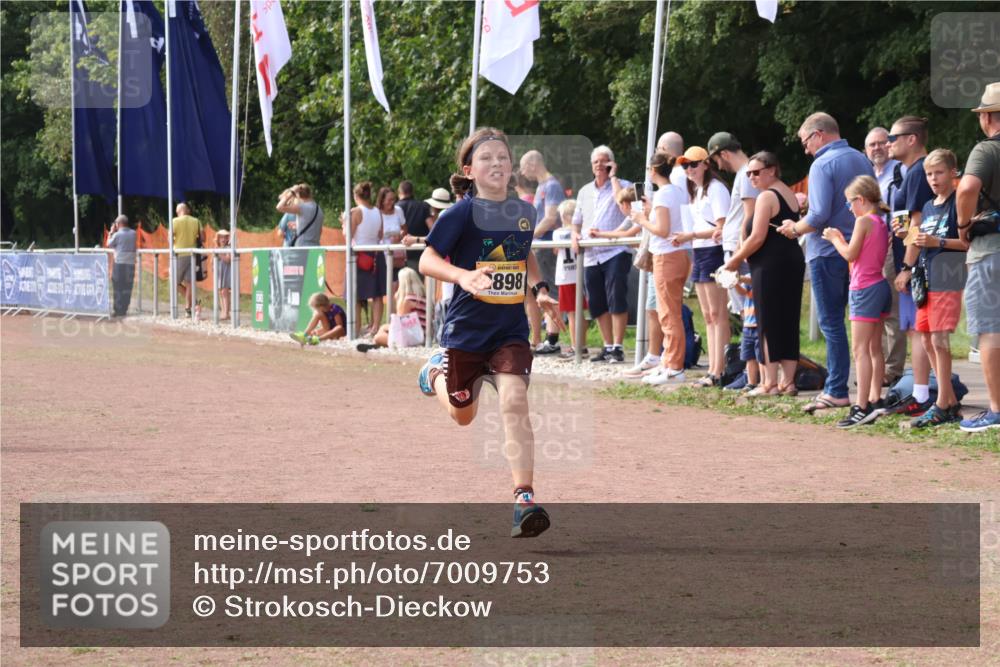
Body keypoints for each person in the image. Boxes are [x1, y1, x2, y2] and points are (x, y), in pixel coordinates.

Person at [416, 127, 562, 538]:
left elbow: (524, 252)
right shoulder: (459, 213)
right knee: (464, 415)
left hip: (509, 329)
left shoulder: (523, 211)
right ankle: (434, 374)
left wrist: (541, 290)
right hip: (465, 330)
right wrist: (462, 276)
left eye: (502, 156)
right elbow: (427, 259)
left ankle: (524, 499)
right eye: (487, 158)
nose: (497, 163)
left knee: (515, 400)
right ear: (470, 170)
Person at [778, 112, 875, 411]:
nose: (806, 149)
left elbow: (818, 215)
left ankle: (836, 389)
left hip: (828, 252)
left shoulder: (822, 162)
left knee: (831, 323)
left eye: (806, 141)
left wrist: (794, 228)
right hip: (860, 250)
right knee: (863, 324)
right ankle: (868, 391)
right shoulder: (862, 158)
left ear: (818, 135)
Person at [724, 152, 804, 396]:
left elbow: (757, 237)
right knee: (788, 320)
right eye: (748, 173)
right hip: (791, 261)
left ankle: (768, 382)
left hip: (770, 265)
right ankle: (787, 381)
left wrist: (735, 260)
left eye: (756, 172)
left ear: (772, 170)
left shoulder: (767, 196)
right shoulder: (788, 193)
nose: (751, 177)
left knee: (767, 322)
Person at [899, 149, 970, 428]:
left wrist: (937, 243)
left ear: (953, 173)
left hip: (948, 276)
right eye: (929, 174)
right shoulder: (928, 206)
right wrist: (909, 237)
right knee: (926, 339)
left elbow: (966, 243)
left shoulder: (958, 203)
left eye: (939, 172)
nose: (933, 179)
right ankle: (948, 401)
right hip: (925, 280)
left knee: (940, 340)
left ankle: (941, 403)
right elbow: (921, 240)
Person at [823, 176, 892, 428]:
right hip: (879, 285)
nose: (849, 208)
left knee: (860, 350)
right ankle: (874, 398)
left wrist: (835, 238)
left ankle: (861, 406)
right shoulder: (880, 221)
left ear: (860, 200)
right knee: (874, 348)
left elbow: (850, 254)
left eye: (849, 203)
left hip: (864, 288)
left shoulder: (864, 221)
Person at [956, 81, 1000, 433]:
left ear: (986, 117)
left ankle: (997, 408)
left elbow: (968, 187)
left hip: (991, 251)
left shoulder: (987, 150)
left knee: (989, 329)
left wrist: (962, 224)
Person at [885, 116, 935, 417]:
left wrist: (907, 265)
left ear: (911, 139)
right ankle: (924, 391)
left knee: (919, 330)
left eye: (894, 138)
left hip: (917, 262)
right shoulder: (910, 172)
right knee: (916, 329)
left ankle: (922, 394)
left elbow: (918, 222)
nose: (890, 144)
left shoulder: (918, 172)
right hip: (914, 256)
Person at [631, 151, 692, 385]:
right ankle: (668, 362)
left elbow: (662, 230)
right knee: (669, 311)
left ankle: (674, 366)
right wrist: (650, 213)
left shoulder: (665, 194)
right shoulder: (676, 191)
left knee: (668, 314)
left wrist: (641, 219)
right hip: (676, 255)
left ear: (652, 171)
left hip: (666, 256)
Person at [674, 146, 731, 387]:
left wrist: (691, 234)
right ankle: (713, 368)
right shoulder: (696, 191)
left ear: (706, 164)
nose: (689, 169)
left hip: (712, 251)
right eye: (685, 165)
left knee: (717, 313)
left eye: (693, 164)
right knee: (708, 314)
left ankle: (721, 369)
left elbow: (722, 227)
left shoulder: (715, 189)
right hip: (700, 249)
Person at [571, 146, 632, 363]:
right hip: (591, 255)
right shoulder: (585, 191)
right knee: (596, 302)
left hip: (615, 249)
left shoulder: (623, 186)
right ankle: (607, 345)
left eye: (604, 161)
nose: (599, 165)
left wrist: (613, 176)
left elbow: (621, 202)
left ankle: (617, 346)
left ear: (611, 163)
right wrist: (574, 236)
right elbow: (576, 222)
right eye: (595, 161)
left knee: (616, 296)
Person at [866, 126, 906, 385]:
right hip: (870, 247)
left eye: (882, 143)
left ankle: (892, 371)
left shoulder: (899, 172)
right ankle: (876, 369)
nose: (878, 148)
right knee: (873, 310)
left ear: (891, 145)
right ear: (866, 150)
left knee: (891, 309)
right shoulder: (867, 175)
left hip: (892, 245)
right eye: (872, 145)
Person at [707, 132, 760, 315]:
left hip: (738, 249)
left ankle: (751, 344)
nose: (719, 167)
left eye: (716, 161)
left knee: (747, 309)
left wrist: (737, 254)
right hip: (736, 246)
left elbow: (749, 216)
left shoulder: (746, 174)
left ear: (724, 154)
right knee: (745, 308)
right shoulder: (744, 174)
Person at [519, 150, 565, 355]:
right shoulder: (542, 187)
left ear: (532, 164)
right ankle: (539, 338)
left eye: (523, 167)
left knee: (549, 290)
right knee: (535, 291)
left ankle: (552, 339)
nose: (522, 172)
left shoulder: (551, 186)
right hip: (539, 245)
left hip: (546, 245)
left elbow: (550, 218)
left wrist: (529, 236)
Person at [357, 267, 428, 352]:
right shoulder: (424, 298)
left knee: (378, 336)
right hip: (422, 335)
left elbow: (398, 325)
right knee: (384, 327)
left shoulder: (406, 301)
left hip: (411, 338)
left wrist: (397, 299)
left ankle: (382, 344)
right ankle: (383, 344)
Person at [552, 199, 588, 359]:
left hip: (566, 276)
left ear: (566, 216)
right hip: (579, 273)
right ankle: (583, 345)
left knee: (572, 314)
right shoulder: (581, 231)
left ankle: (576, 347)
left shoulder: (558, 232)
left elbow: (555, 250)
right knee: (580, 312)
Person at [348, 181, 386, 336]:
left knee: (355, 295)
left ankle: (355, 329)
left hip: (360, 255)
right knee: (377, 294)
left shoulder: (355, 211)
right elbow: (380, 235)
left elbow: (348, 235)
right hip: (376, 254)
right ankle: (375, 328)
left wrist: (344, 223)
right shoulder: (377, 211)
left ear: (355, 196)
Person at [172, 202, 202, 316]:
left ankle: (193, 304)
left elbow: (170, 239)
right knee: (190, 283)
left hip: (179, 254)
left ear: (177, 211)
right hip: (193, 254)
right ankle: (188, 308)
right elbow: (202, 237)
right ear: (188, 210)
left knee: (175, 282)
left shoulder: (175, 221)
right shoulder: (196, 221)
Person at [376, 186, 406, 291]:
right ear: (382, 200)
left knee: (396, 287)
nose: (392, 202)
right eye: (389, 200)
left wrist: (401, 235)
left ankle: (394, 307)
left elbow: (405, 229)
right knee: (384, 288)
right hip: (382, 254)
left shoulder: (398, 210)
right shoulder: (377, 212)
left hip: (397, 255)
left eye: (393, 199)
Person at [397, 180, 431, 273]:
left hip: (398, 254)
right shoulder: (423, 206)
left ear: (399, 192)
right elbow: (432, 228)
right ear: (412, 192)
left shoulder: (395, 208)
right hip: (419, 252)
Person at [107, 214, 136, 318]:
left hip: (119, 263)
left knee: (117, 286)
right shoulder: (134, 233)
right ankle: (124, 309)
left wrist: (111, 232)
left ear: (118, 224)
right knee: (128, 286)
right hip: (131, 264)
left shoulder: (117, 235)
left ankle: (117, 310)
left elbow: (109, 244)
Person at [276, 183, 323, 247]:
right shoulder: (318, 209)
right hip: (316, 246)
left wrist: (292, 192)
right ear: (310, 193)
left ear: (297, 196)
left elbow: (279, 207)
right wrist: (298, 226)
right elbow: (319, 231)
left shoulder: (301, 207)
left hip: (302, 247)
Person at [215, 229, 232, 321]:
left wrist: (220, 254)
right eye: (221, 237)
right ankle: (223, 311)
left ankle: (226, 312)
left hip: (226, 272)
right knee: (220, 292)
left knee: (225, 292)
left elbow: (228, 259)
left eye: (225, 237)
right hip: (219, 272)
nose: (223, 239)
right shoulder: (217, 248)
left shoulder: (228, 248)